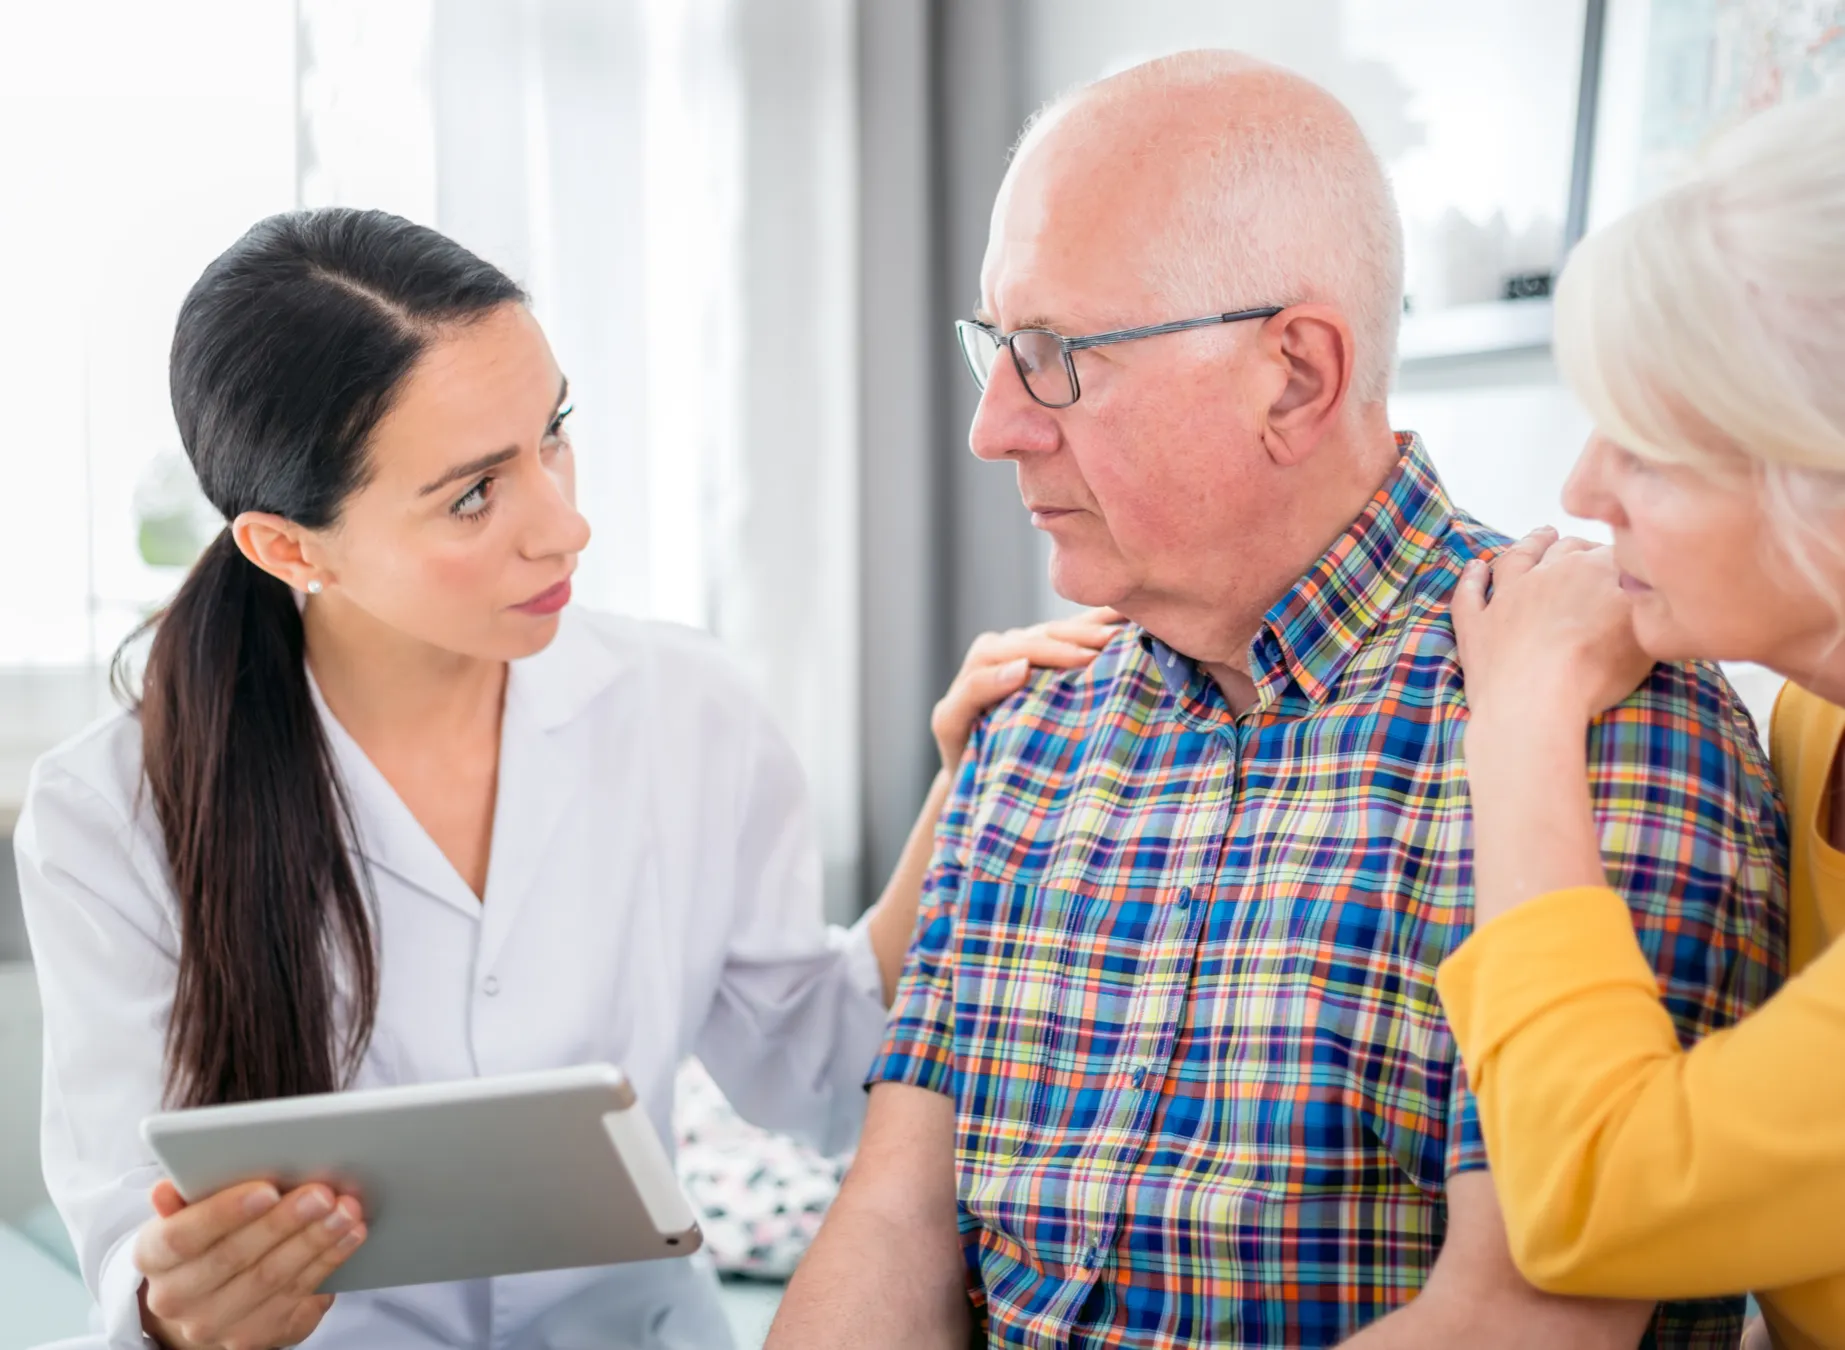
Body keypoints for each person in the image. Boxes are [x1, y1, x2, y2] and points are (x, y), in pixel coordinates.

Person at [766, 51, 1786, 1350]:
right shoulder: (1026, 725)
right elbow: (894, 1215)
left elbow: (1540, 1320)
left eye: (1053, 357)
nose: (995, 426)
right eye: (995, 348)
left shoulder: (1600, 716)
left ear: (1295, 375)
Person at [14, 207, 1119, 1350]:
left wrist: (961, 795)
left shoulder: (689, 710)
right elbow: (126, 1247)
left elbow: (828, 1073)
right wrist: (181, 1307)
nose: (566, 525)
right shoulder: (105, 814)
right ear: (292, 548)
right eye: (474, 495)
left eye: (554, 433)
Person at [1435, 91, 1845, 1350]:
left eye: (1651, 448)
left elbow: (1594, 1200)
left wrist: (1520, 713)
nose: (1579, 490)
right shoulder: (1812, 732)